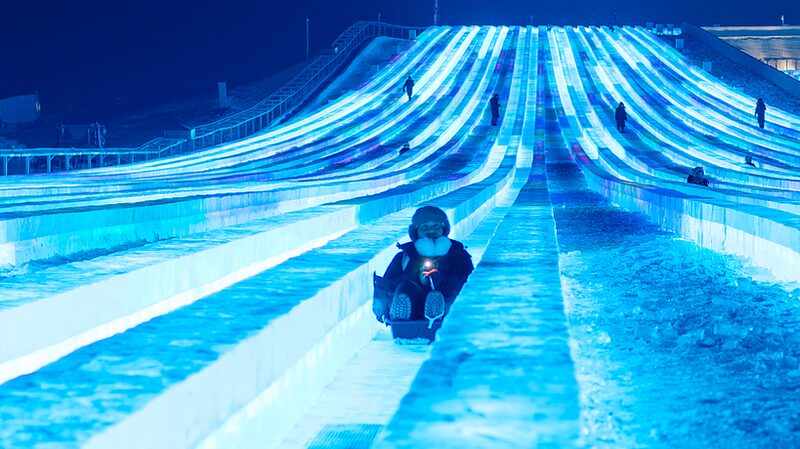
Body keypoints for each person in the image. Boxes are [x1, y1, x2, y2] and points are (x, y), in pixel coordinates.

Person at [372, 206, 474, 327]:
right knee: (405, 288)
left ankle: (438, 311)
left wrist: (440, 279)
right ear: (416, 231)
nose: (431, 230)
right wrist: (416, 278)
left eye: (436, 226)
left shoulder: (457, 255)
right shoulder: (405, 257)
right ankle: (401, 315)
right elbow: (388, 285)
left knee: (444, 291)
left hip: (447, 302)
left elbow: (468, 282)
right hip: (413, 306)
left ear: (444, 229)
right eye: (425, 227)